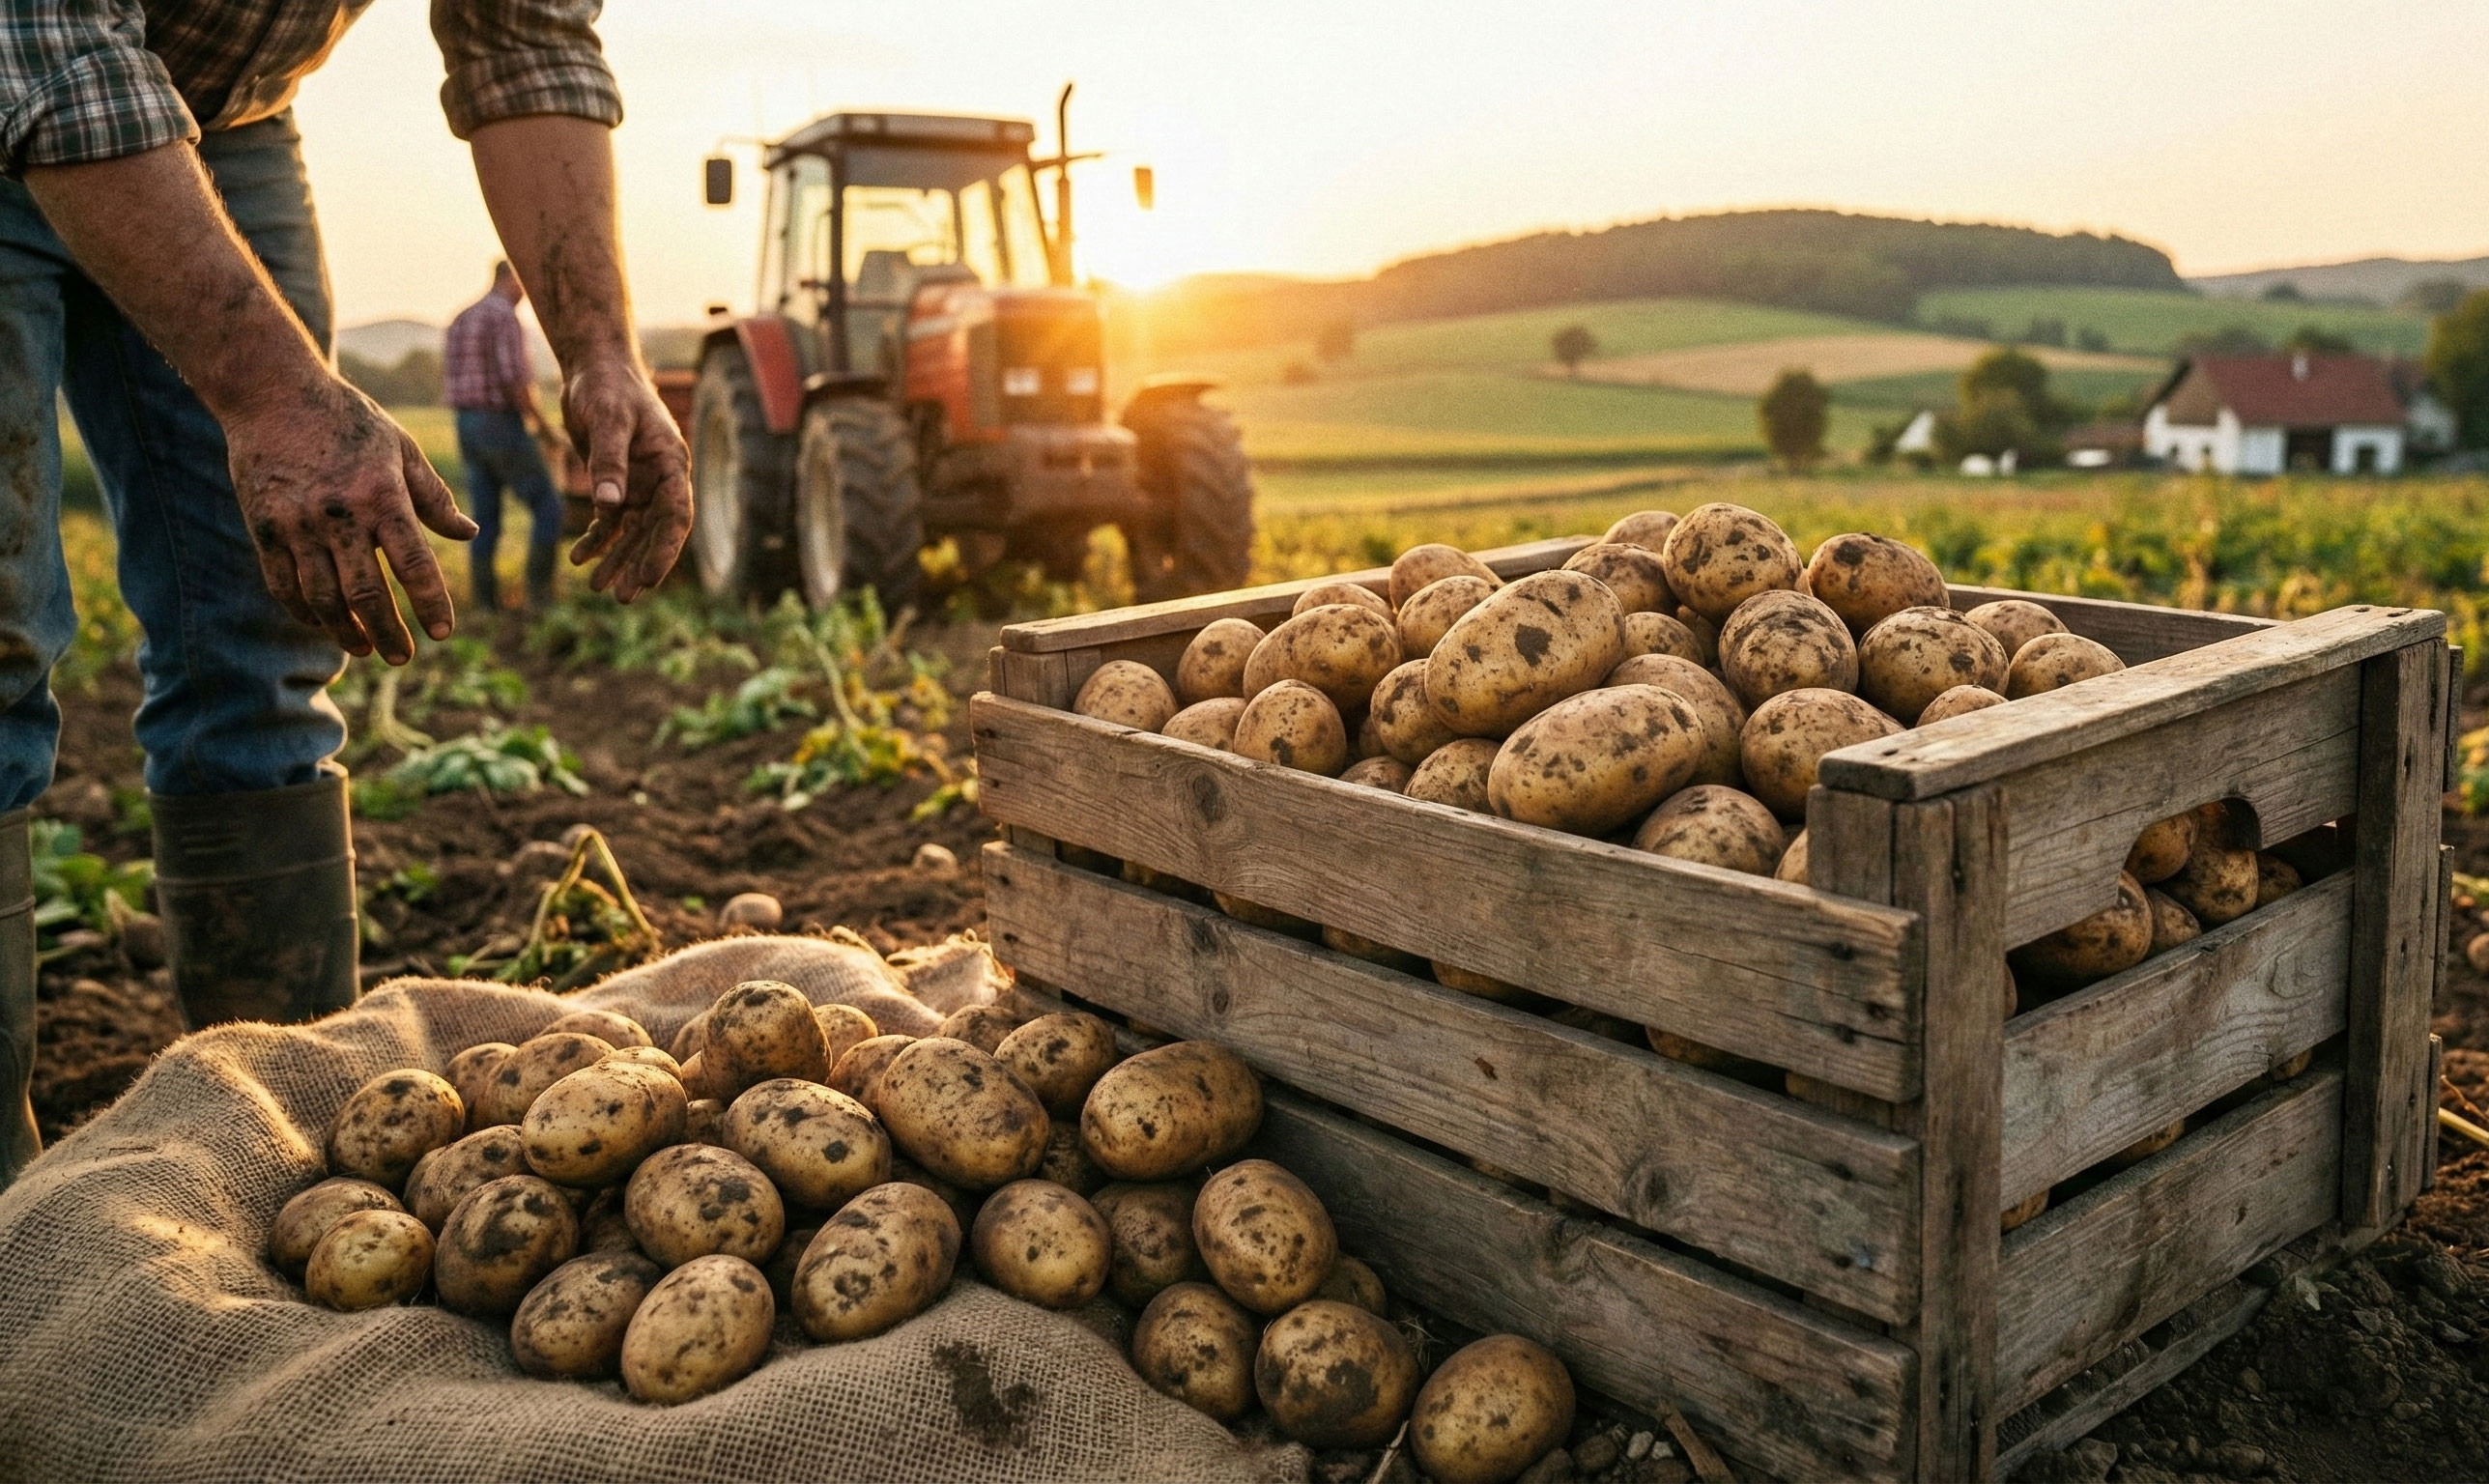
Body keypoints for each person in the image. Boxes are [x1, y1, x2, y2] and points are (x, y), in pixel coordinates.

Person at [0, 0, 693, 1188]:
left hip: (220, 116)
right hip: (33, 48)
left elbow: (526, 39)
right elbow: (53, 49)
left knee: (274, 615)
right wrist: (275, 395)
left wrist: (599, 351)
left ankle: (283, 1137)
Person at [446, 261, 566, 613]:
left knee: (484, 516)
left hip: (466, 424)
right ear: (509, 277)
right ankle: (539, 597)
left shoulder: (462, 318)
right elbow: (516, 383)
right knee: (548, 506)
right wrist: (546, 430)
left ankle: (485, 603)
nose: (526, 291)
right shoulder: (504, 317)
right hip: (499, 423)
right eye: (522, 281)